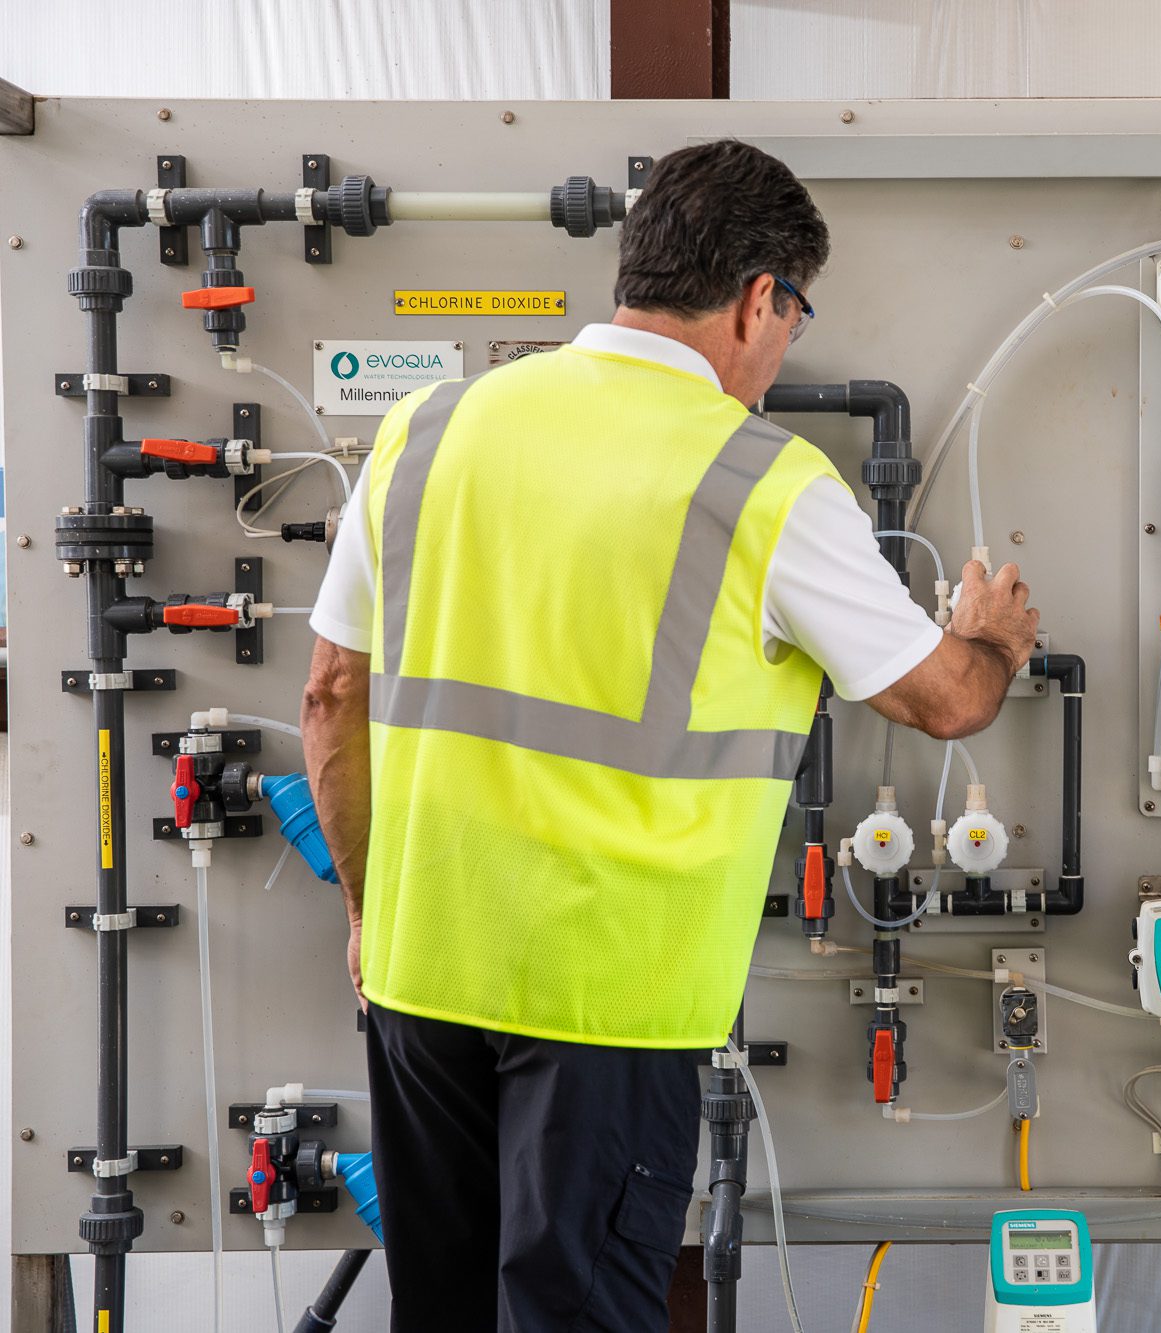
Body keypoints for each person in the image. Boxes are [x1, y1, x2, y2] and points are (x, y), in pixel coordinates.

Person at [300, 139, 1038, 1332]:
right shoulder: (762, 482)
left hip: (420, 971)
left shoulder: (429, 428)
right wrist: (991, 634)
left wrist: (365, 911)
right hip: (609, 1002)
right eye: (793, 313)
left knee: (440, 1307)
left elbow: (332, 693)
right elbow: (942, 700)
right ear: (760, 298)